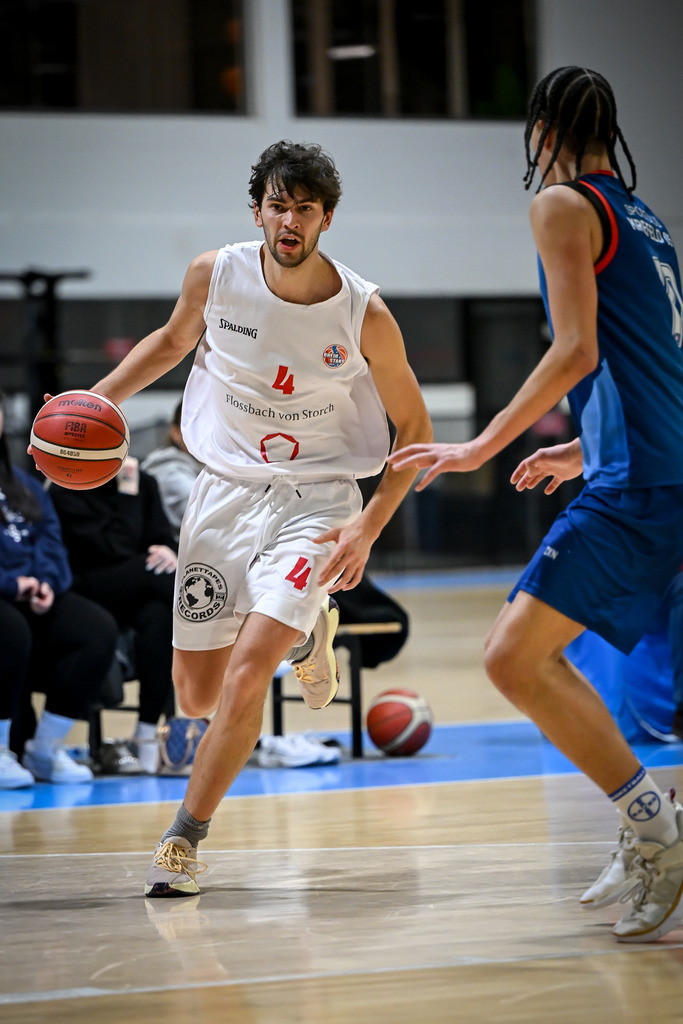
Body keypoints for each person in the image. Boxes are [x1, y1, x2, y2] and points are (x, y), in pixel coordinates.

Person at [37, 140, 431, 892]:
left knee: (250, 674)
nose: (289, 219)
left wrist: (367, 527)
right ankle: (311, 628)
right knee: (197, 696)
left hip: (317, 500)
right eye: (277, 204)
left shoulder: (363, 311)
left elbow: (413, 433)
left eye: (304, 207)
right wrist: (96, 401)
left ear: (326, 218)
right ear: (256, 210)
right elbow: (172, 342)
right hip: (221, 492)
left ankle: (184, 839)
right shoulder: (214, 274)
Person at [390, 67, 683, 943]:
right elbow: (650, 364)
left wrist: (480, 446)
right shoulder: (647, 218)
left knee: (514, 659)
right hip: (650, 467)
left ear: (540, 129)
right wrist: (583, 443)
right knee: (570, 671)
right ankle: (648, 820)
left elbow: (576, 349)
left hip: (639, 487)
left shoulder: (560, 204)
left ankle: (651, 831)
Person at [0, 393, 118, 787]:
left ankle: (44, 751)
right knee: (10, 630)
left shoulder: (25, 485)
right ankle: (1, 751)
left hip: (31, 596)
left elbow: (51, 542)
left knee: (96, 629)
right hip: (5, 598)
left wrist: (46, 584)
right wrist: (11, 583)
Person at [50, 455, 179, 774]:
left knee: (160, 616)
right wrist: (124, 493)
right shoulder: (66, 485)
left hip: (140, 589)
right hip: (85, 587)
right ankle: (230, 633)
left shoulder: (144, 482)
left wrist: (168, 551)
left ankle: (146, 734)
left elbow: (160, 534)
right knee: (160, 578)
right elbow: (109, 546)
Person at [141, 399, 202, 541]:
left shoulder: (212, 469)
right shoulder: (168, 471)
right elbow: (211, 517)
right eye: (197, 425)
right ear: (176, 432)